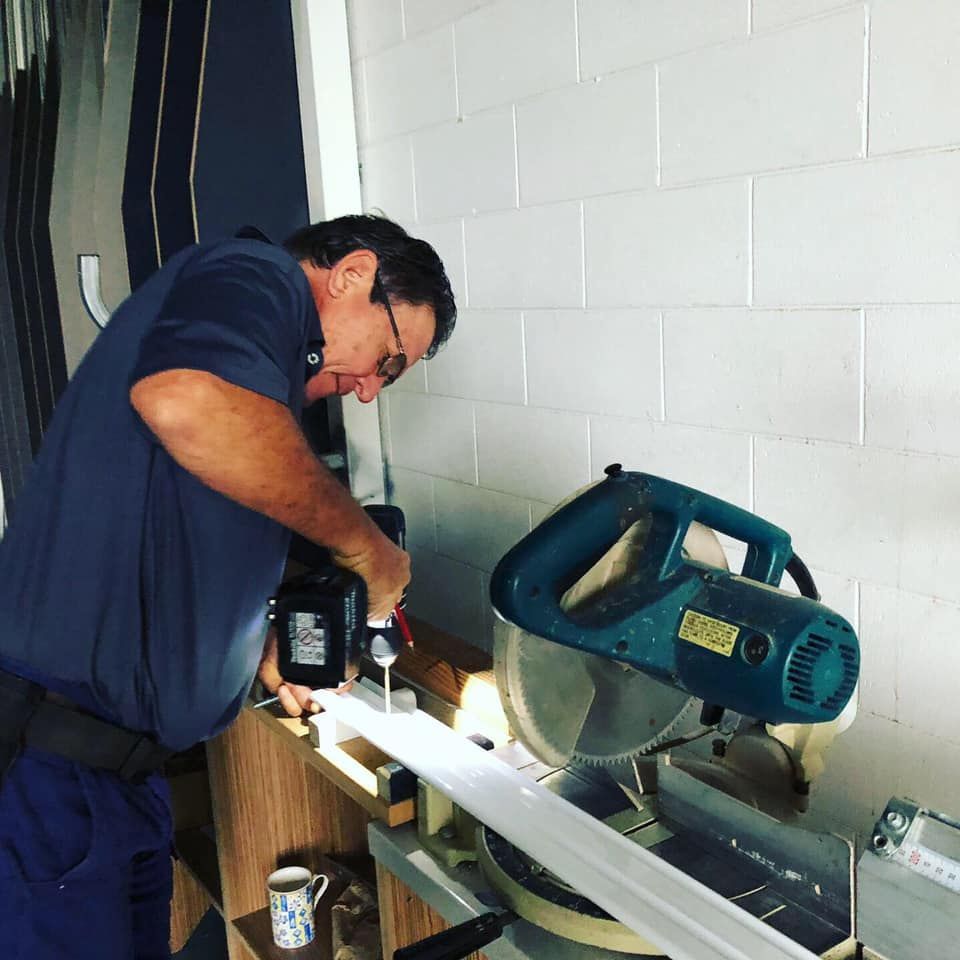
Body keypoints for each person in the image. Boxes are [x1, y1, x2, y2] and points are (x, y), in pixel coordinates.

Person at [0, 214, 456, 959]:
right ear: (351, 274)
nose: (370, 391)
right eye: (389, 360)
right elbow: (187, 402)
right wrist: (374, 557)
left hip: (119, 779)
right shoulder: (253, 273)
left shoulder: (262, 411)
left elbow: (172, 556)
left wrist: (257, 649)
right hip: (51, 777)